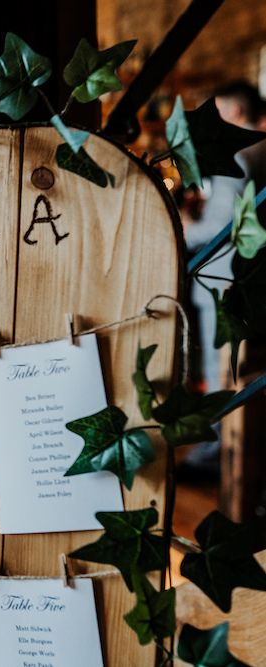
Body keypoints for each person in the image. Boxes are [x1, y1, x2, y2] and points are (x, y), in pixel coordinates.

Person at [181, 81, 266, 480]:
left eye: (215, 112)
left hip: (223, 280)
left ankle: (213, 453)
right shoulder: (260, 152)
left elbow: (218, 228)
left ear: (233, 113)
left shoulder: (235, 157)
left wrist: (178, 226)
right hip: (250, 280)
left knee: (223, 372)